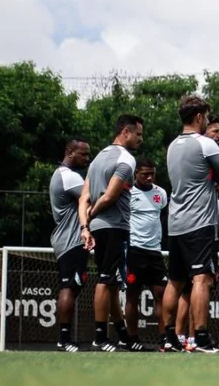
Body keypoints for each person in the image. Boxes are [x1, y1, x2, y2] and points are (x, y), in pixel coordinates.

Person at [162, 96, 219, 353]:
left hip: (175, 223)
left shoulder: (172, 146)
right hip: (199, 223)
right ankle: (201, 337)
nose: (207, 121)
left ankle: (168, 338)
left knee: (175, 280)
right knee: (201, 280)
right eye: (206, 116)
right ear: (198, 118)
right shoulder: (205, 144)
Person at [79, 114, 144, 352]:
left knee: (113, 282)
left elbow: (84, 196)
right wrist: (93, 215)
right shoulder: (126, 159)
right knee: (106, 280)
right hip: (114, 226)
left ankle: (124, 336)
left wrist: (86, 225)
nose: (141, 139)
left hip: (99, 227)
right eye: (138, 134)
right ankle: (99, 335)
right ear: (125, 132)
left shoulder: (97, 158)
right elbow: (109, 196)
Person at [50, 138, 91, 352]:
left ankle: (65, 338)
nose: (87, 158)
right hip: (69, 240)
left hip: (72, 240)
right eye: (83, 154)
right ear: (70, 152)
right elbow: (90, 199)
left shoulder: (67, 175)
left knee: (74, 287)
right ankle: (64, 339)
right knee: (68, 286)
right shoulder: (67, 176)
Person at [125, 158, 168, 352]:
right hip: (134, 251)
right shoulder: (128, 193)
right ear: (135, 174)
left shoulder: (161, 193)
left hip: (155, 252)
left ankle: (164, 339)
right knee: (132, 296)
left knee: (161, 294)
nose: (149, 177)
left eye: (152, 173)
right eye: (145, 174)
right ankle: (132, 339)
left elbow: (162, 217)